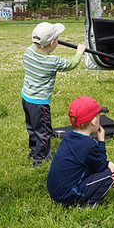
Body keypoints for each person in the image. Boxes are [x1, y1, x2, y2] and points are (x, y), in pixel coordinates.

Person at [22, 22, 85, 167]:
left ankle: (33, 151)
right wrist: (79, 52)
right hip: (39, 104)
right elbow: (70, 64)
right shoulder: (52, 61)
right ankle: (41, 159)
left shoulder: (28, 52)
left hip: (26, 99)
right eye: (57, 38)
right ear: (52, 43)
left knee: (32, 128)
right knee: (44, 132)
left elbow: (37, 46)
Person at [46, 96, 114, 207]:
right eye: (99, 118)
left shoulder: (68, 136)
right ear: (94, 121)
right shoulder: (89, 145)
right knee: (109, 175)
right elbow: (99, 166)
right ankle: (87, 205)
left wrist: (107, 163)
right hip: (68, 195)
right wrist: (101, 142)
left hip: (55, 191)